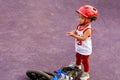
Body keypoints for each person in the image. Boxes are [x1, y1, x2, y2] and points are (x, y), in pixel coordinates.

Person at [66, 5, 98, 79]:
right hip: (79, 47)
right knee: (77, 57)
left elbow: (83, 38)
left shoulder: (88, 29)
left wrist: (73, 36)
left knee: (85, 61)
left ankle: (86, 73)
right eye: (79, 17)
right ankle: (77, 66)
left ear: (89, 20)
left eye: (82, 18)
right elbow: (76, 30)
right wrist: (72, 32)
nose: (79, 19)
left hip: (85, 49)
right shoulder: (80, 25)